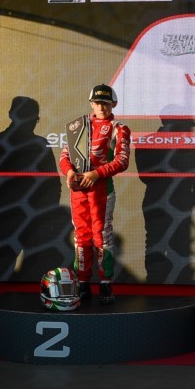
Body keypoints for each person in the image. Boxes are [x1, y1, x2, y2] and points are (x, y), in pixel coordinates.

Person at [59, 84, 130, 304]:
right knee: (81, 236)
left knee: (102, 236)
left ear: (113, 104)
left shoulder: (119, 128)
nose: (101, 107)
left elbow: (122, 161)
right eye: (97, 102)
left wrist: (97, 174)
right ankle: (82, 283)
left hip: (102, 190)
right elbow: (64, 156)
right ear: (91, 103)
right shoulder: (78, 126)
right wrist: (69, 172)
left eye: (105, 103)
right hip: (78, 189)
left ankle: (105, 283)